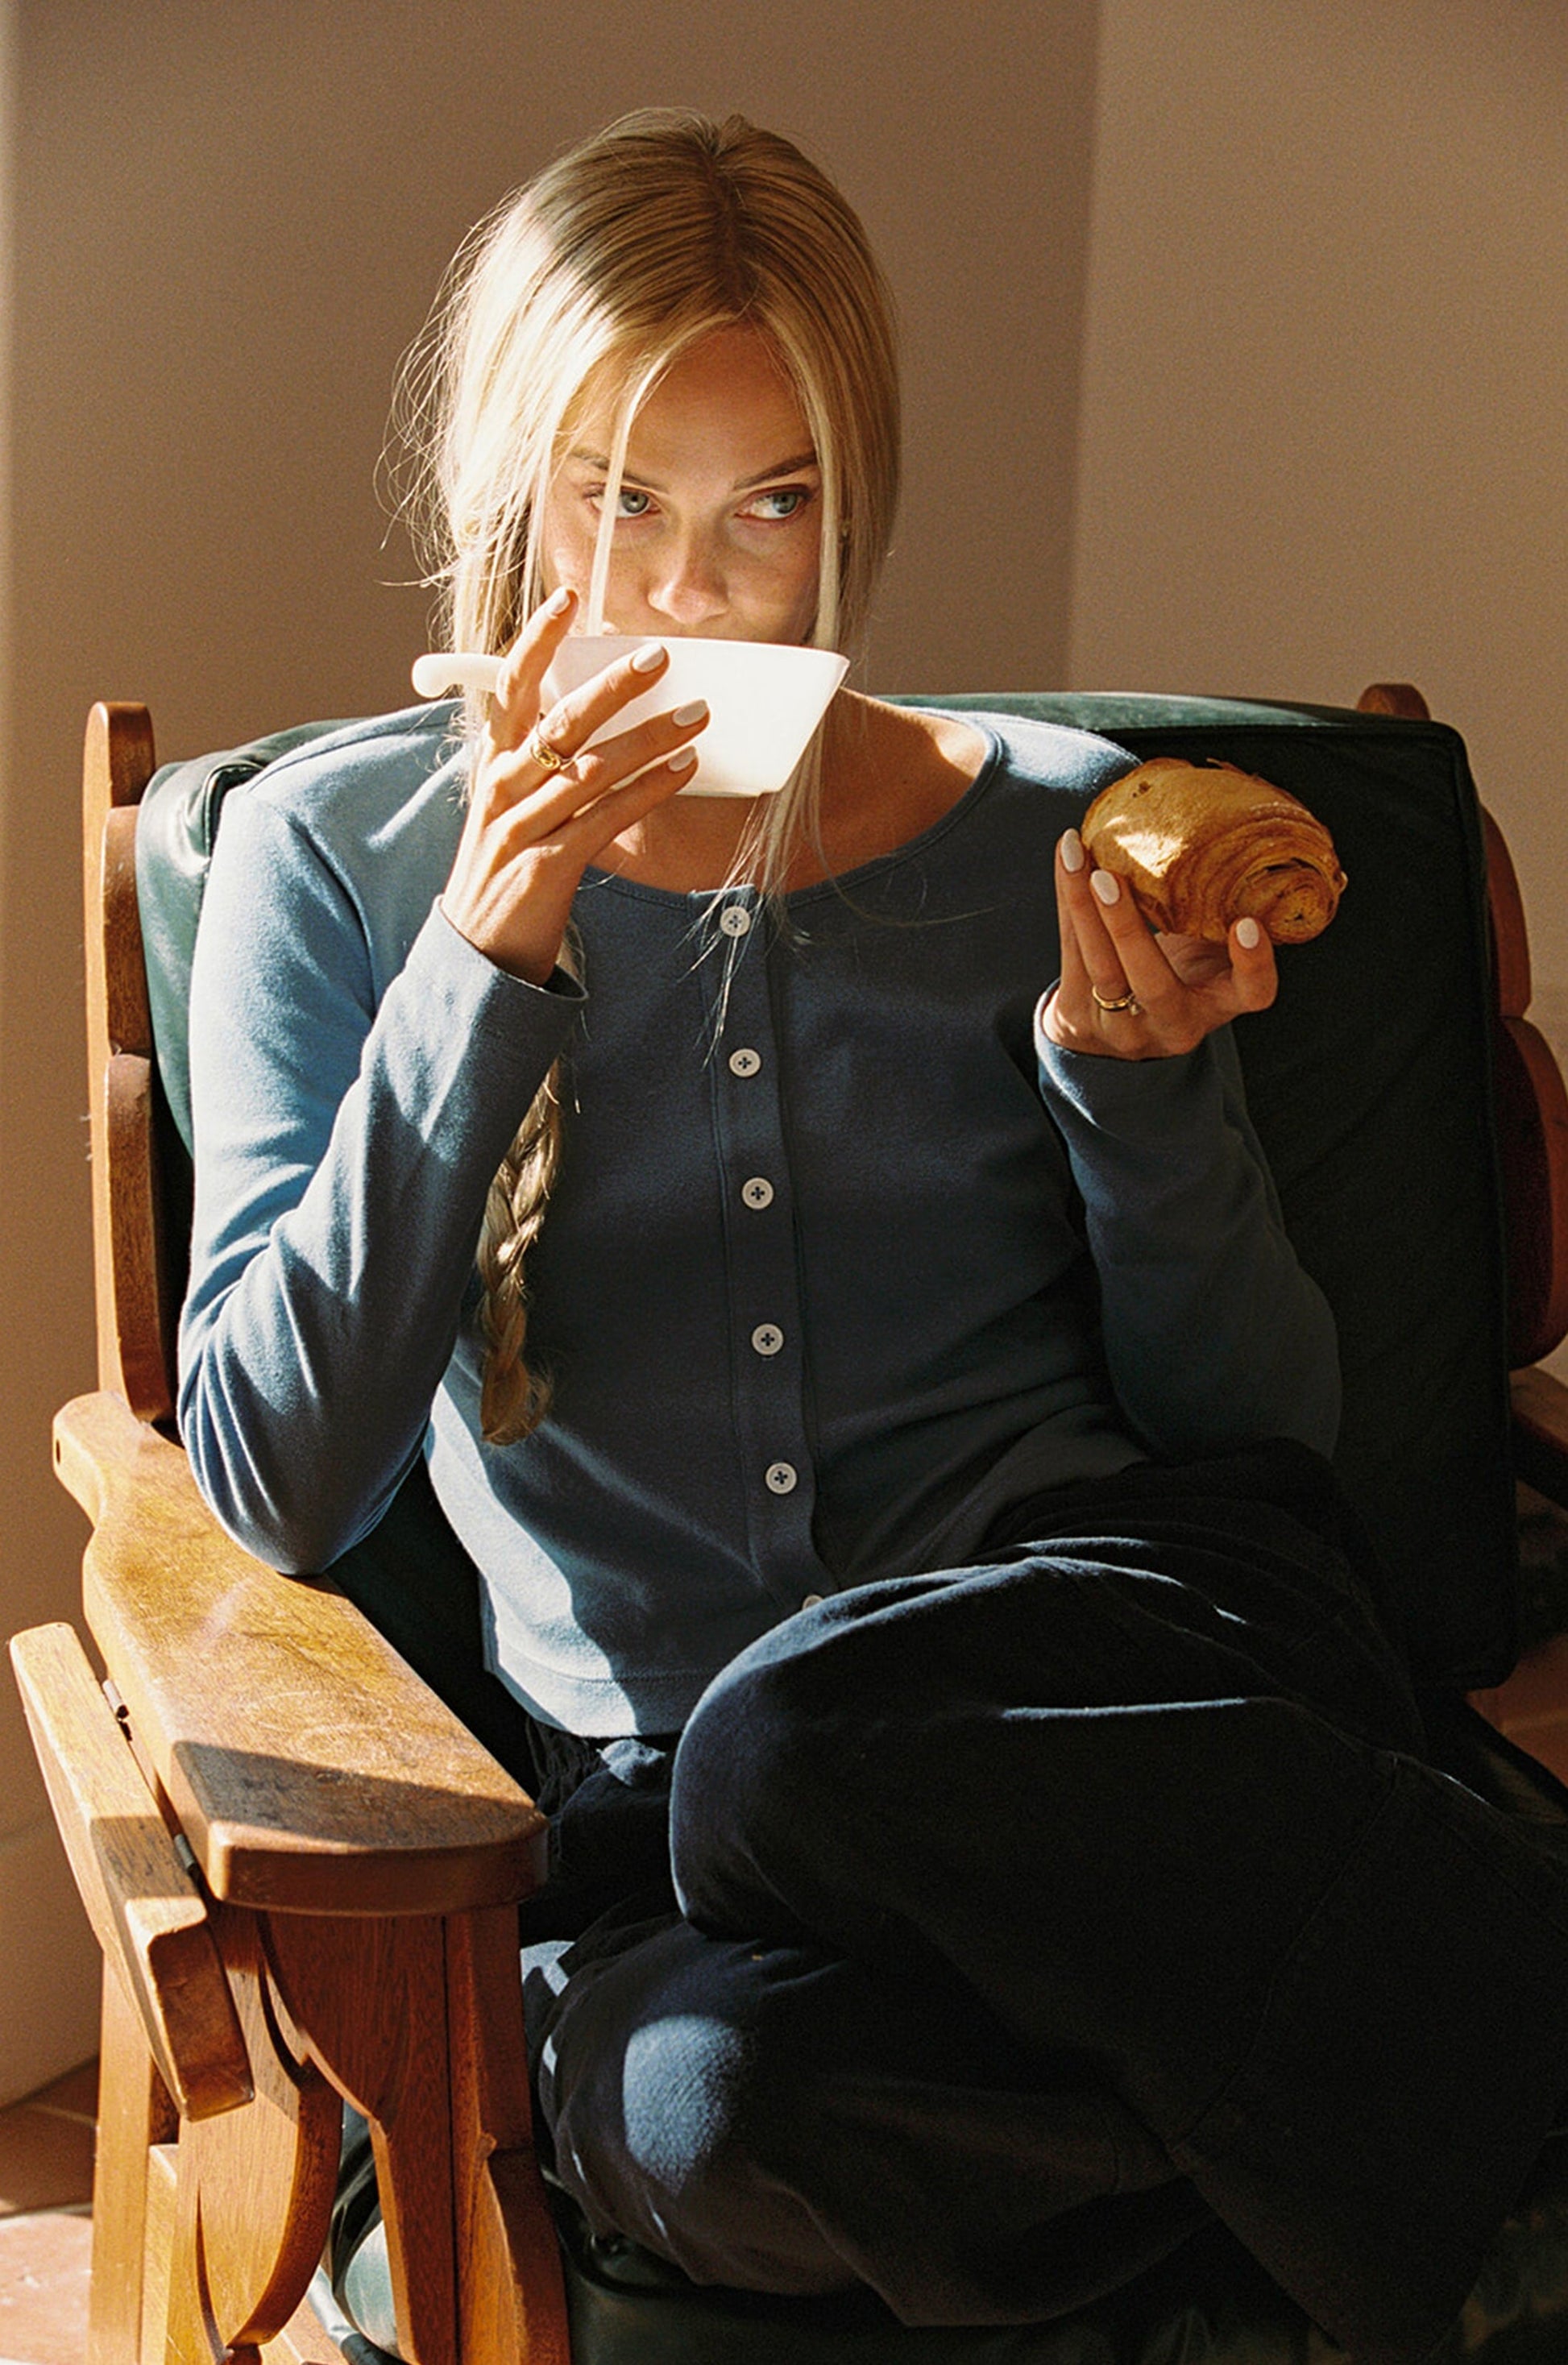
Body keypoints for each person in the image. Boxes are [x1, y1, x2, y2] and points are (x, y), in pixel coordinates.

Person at [177, 109, 1568, 2365]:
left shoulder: (1055, 835)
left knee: (801, 1740)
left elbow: (1260, 1440)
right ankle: (1453, 2095)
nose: (688, 592)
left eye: (772, 506)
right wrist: (487, 955)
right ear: (511, 491)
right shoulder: (335, 864)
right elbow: (273, 1480)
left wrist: (1135, 1092)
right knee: (714, 2109)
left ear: (857, 508)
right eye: (616, 499)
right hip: (667, 1817)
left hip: (1126, 1678)